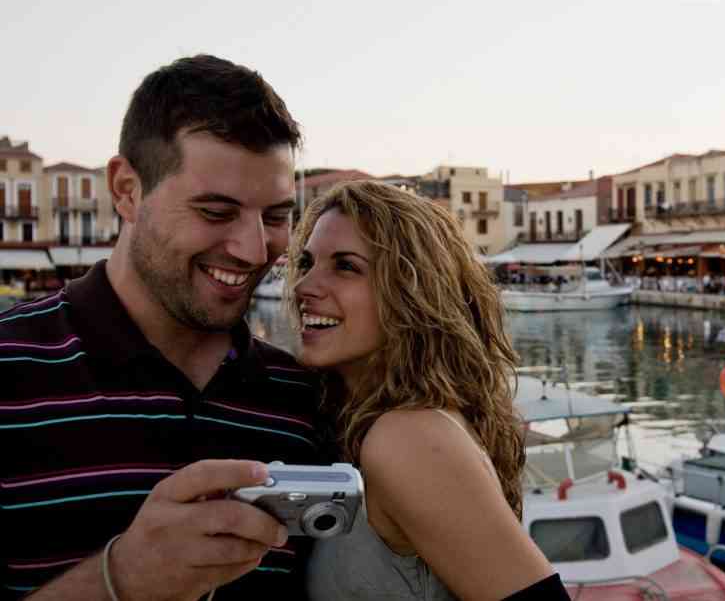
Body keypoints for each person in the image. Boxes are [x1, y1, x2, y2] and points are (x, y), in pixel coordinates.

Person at [0, 55, 325, 600]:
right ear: (126, 189)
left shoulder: (305, 398)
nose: (252, 250)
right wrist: (121, 579)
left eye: (274, 216)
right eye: (216, 212)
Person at [290, 182, 569, 600]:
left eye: (345, 266)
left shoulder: (408, 435)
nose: (303, 287)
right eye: (307, 263)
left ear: (412, 292)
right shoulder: (380, 423)